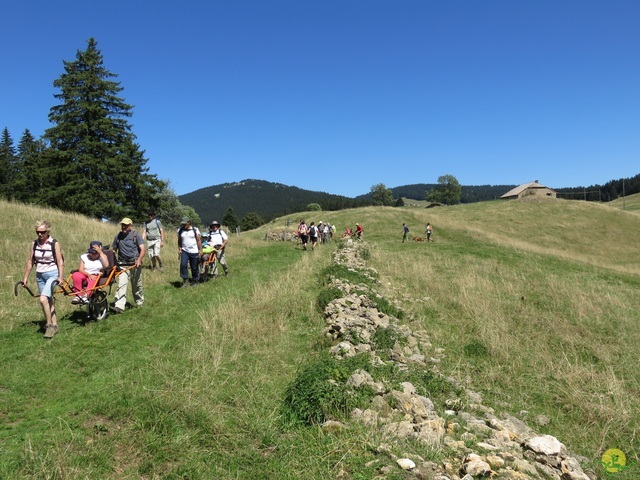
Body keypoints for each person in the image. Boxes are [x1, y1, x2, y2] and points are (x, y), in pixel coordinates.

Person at [22, 220, 65, 338]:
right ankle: (55, 325)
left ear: (48, 231)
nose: (40, 234)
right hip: (40, 275)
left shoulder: (54, 243)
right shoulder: (34, 244)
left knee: (42, 299)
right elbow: (30, 261)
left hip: (52, 274)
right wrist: (25, 278)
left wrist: (60, 277)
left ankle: (49, 326)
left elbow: (60, 261)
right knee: (48, 300)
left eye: (43, 232)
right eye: (38, 232)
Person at [112, 217, 145, 313]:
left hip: (135, 264)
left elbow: (143, 249)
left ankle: (139, 302)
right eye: (123, 225)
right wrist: (113, 260)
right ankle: (119, 306)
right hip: (122, 264)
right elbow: (114, 249)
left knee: (136, 285)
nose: (124, 227)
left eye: (126, 225)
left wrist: (139, 260)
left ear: (130, 226)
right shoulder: (118, 236)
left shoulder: (136, 235)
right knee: (121, 284)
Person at [178, 216, 202, 287]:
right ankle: (185, 280)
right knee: (183, 265)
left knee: (194, 267)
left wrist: (200, 250)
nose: (183, 225)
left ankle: (195, 280)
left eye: (185, 224)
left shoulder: (195, 230)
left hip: (194, 251)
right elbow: (179, 240)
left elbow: (198, 240)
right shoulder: (180, 230)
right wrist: (179, 248)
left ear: (189, 223)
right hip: (184, 250)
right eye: (182, 224)